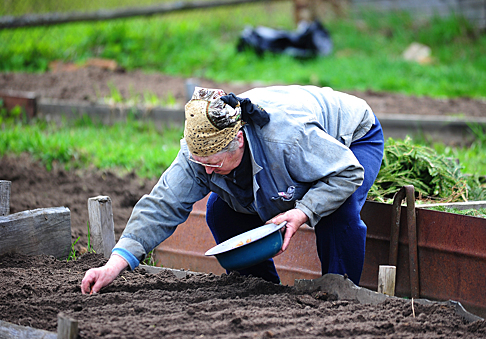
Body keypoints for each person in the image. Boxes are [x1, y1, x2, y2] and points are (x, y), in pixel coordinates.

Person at [81, 85, 384, 294]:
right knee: (220, 210)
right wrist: (114, 264)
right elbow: (161, 205)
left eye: (214, 163)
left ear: (239, 140)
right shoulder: (199, 157)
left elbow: (347, 172)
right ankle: (261, 288)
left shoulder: (286, 140)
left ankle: (338, 295)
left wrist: (303, 211)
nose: (207, 171)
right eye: (201, 164)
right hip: (296, 146)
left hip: (352, 136)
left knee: (337, 210)